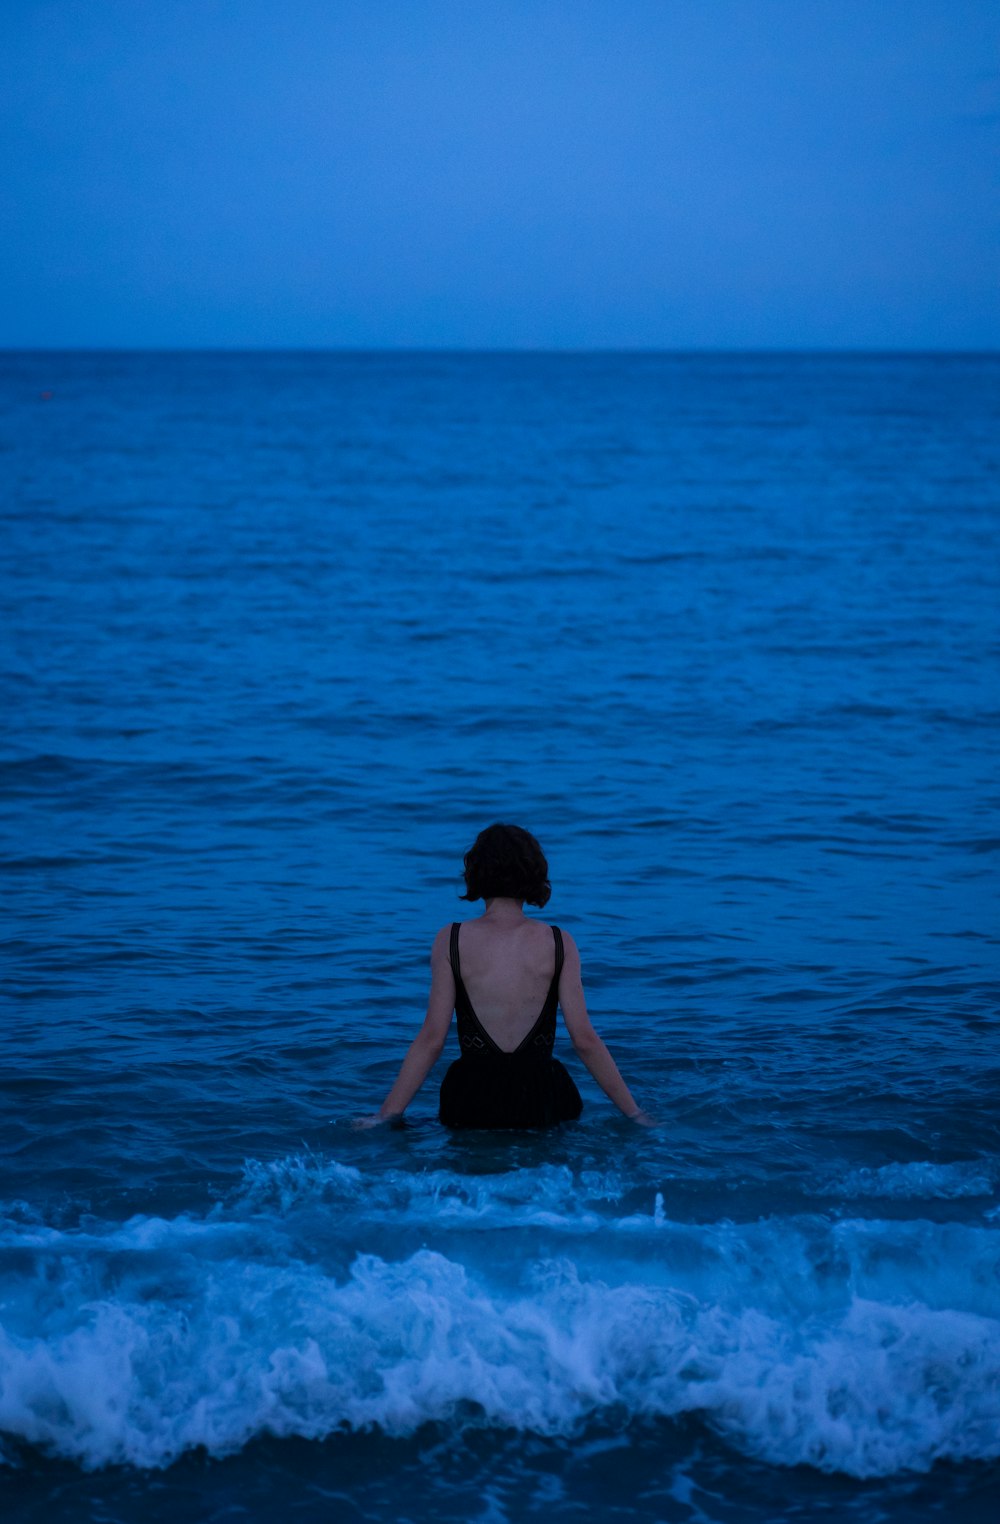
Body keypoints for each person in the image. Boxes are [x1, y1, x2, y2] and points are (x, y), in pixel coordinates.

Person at [357, 823, 651, 1129]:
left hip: (471, 1099)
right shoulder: (559, 941)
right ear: (534, 873)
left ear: (476, 873)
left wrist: (386, 1115)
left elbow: (431, 1040)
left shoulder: (452, 939)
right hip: (540, 1098)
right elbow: (584, 1040)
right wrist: (635, 1114)